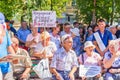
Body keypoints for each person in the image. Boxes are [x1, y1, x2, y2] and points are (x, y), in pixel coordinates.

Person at [0, 14, 15, 80]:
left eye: (2, 23)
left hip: (6, 68)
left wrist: (15, 57)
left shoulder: (5, 32)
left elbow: (9, 47)